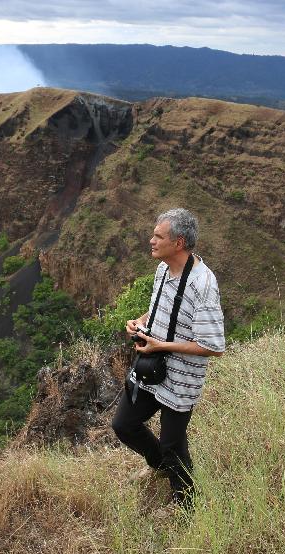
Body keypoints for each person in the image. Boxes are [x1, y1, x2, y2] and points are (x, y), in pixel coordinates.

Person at [113, 208, 225, 508]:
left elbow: (213, 345)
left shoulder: (202, 284)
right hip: (151, 371)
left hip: (181, 381)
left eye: (158, 236)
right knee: (124, 425)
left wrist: (160, 346)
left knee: (173, 445)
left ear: (178, 243)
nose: (151, 240)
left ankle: (187, 507)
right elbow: (160, 309)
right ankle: (161, 467)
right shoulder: (163, 270)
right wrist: (139, 322)